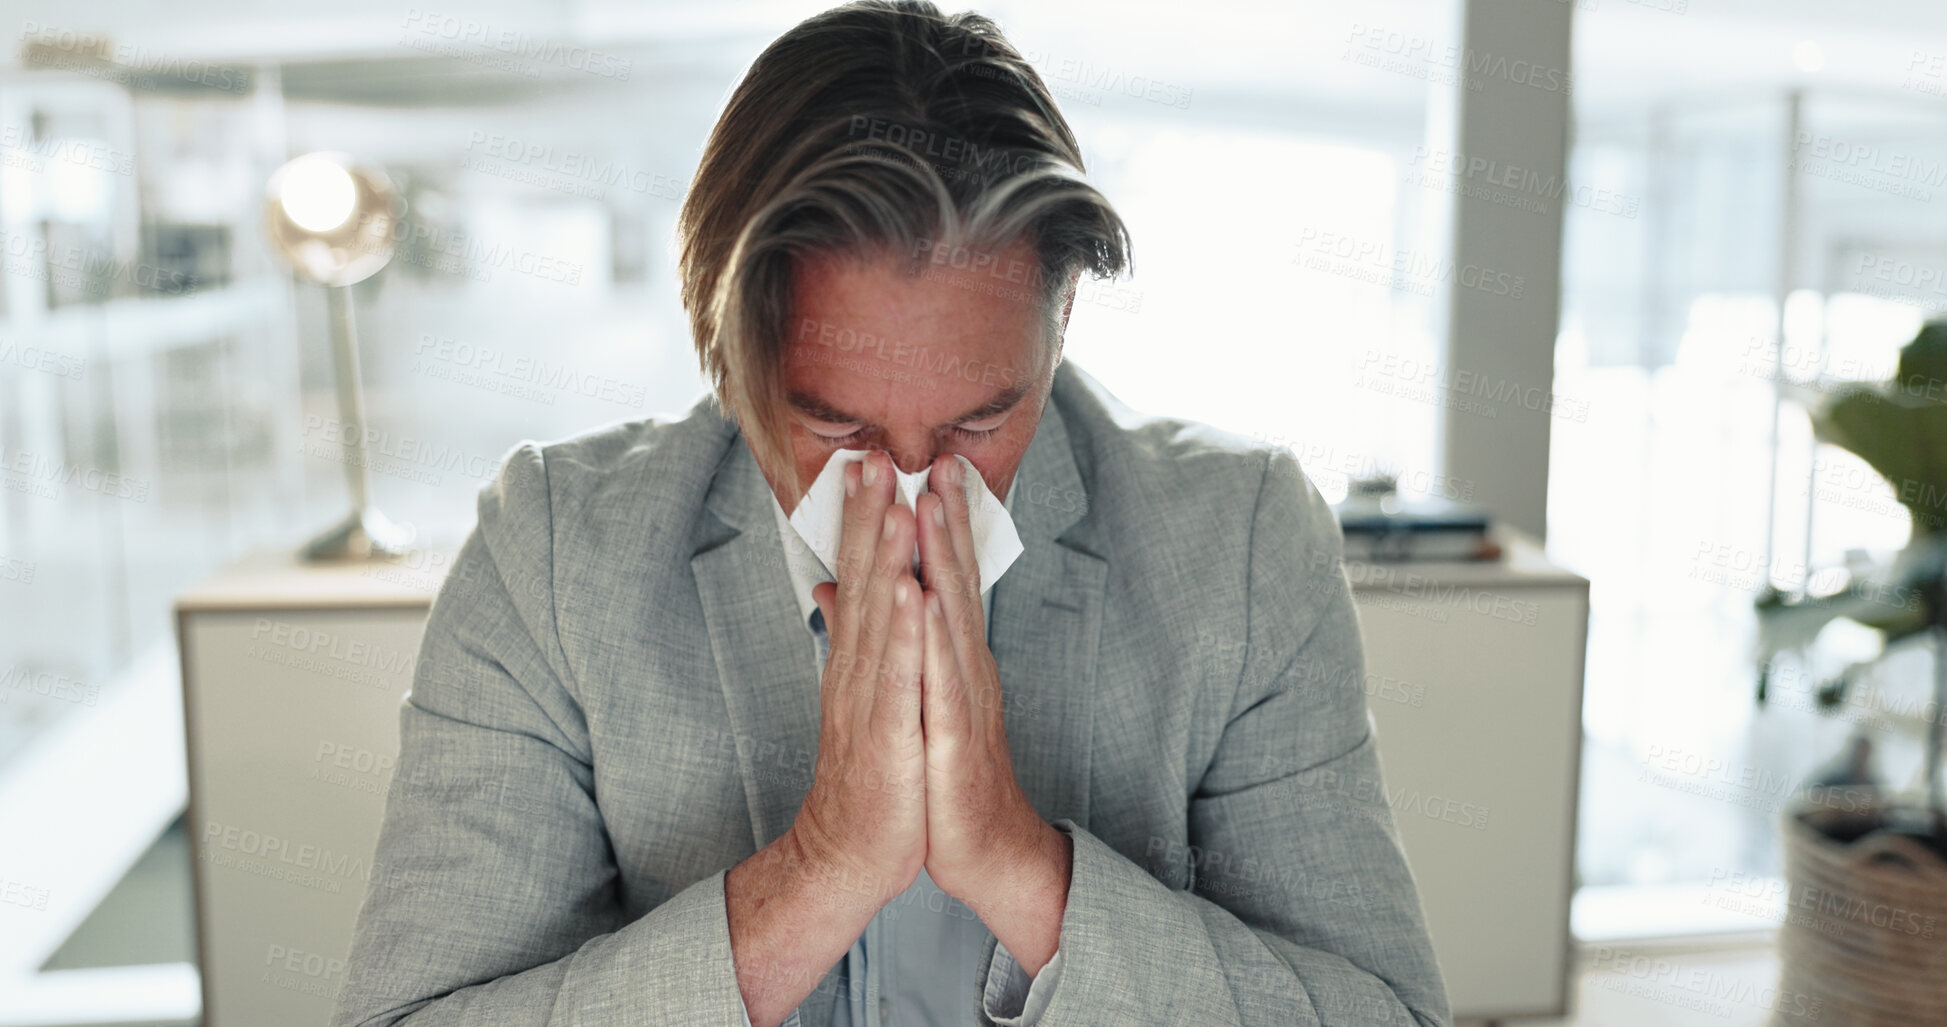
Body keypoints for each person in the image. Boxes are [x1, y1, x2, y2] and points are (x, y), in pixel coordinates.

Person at [333, 2, 1450, 1025]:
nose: (913, 490)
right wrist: (821, 869)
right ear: (730, 359)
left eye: (980, 422)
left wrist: (1023, 866)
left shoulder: (1242, 545)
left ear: (1061, 318)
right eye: (841, 430)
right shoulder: (555, 554)